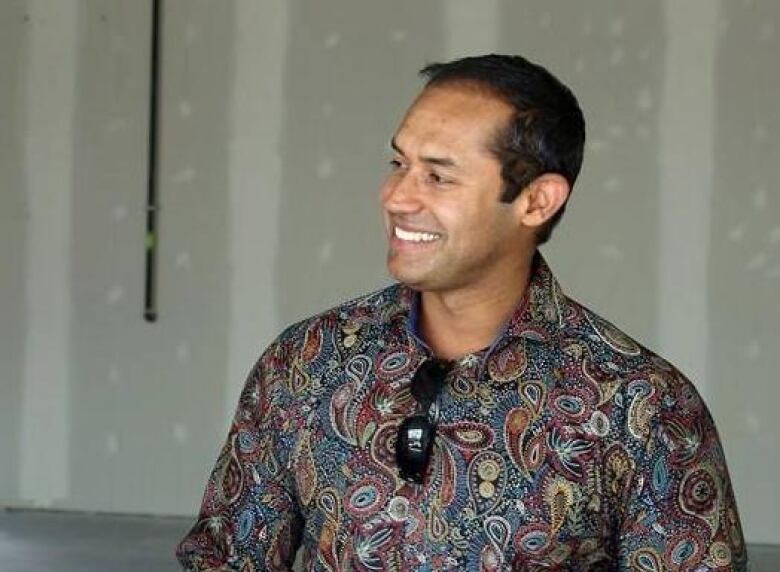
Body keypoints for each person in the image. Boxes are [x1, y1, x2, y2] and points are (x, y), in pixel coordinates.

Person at [177, 54, 747, 571]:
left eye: (438, 175)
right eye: (398, 162)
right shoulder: (306, 363)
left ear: (536, 200)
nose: (397, 195)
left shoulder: (639, 403)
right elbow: (226, 558)